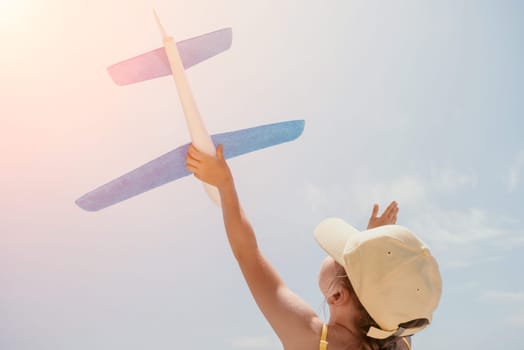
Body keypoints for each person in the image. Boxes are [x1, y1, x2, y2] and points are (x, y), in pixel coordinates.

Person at [186, 144, 442, 350]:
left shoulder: (311, 339)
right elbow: (394, 298)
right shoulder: (400, 342)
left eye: (339, 255)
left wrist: (225, 185)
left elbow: (248, 256)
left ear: (337, 295)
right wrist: (373, 251)